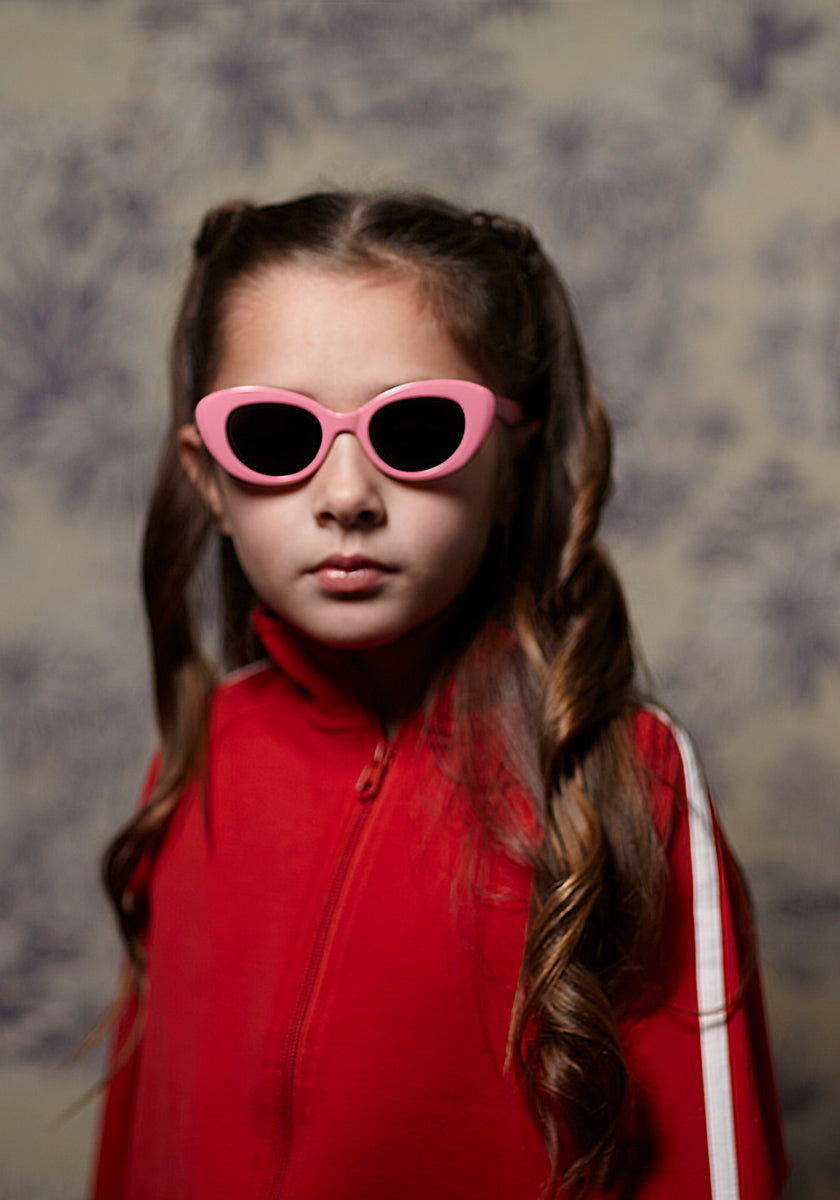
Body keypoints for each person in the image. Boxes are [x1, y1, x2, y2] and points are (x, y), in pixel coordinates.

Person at [91, 192, 789, 1200]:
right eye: (276, 434)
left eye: (415, 428)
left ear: (509, 462)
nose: (346, 496)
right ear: (209, 479)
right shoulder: (199, 758)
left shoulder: (624, 776)